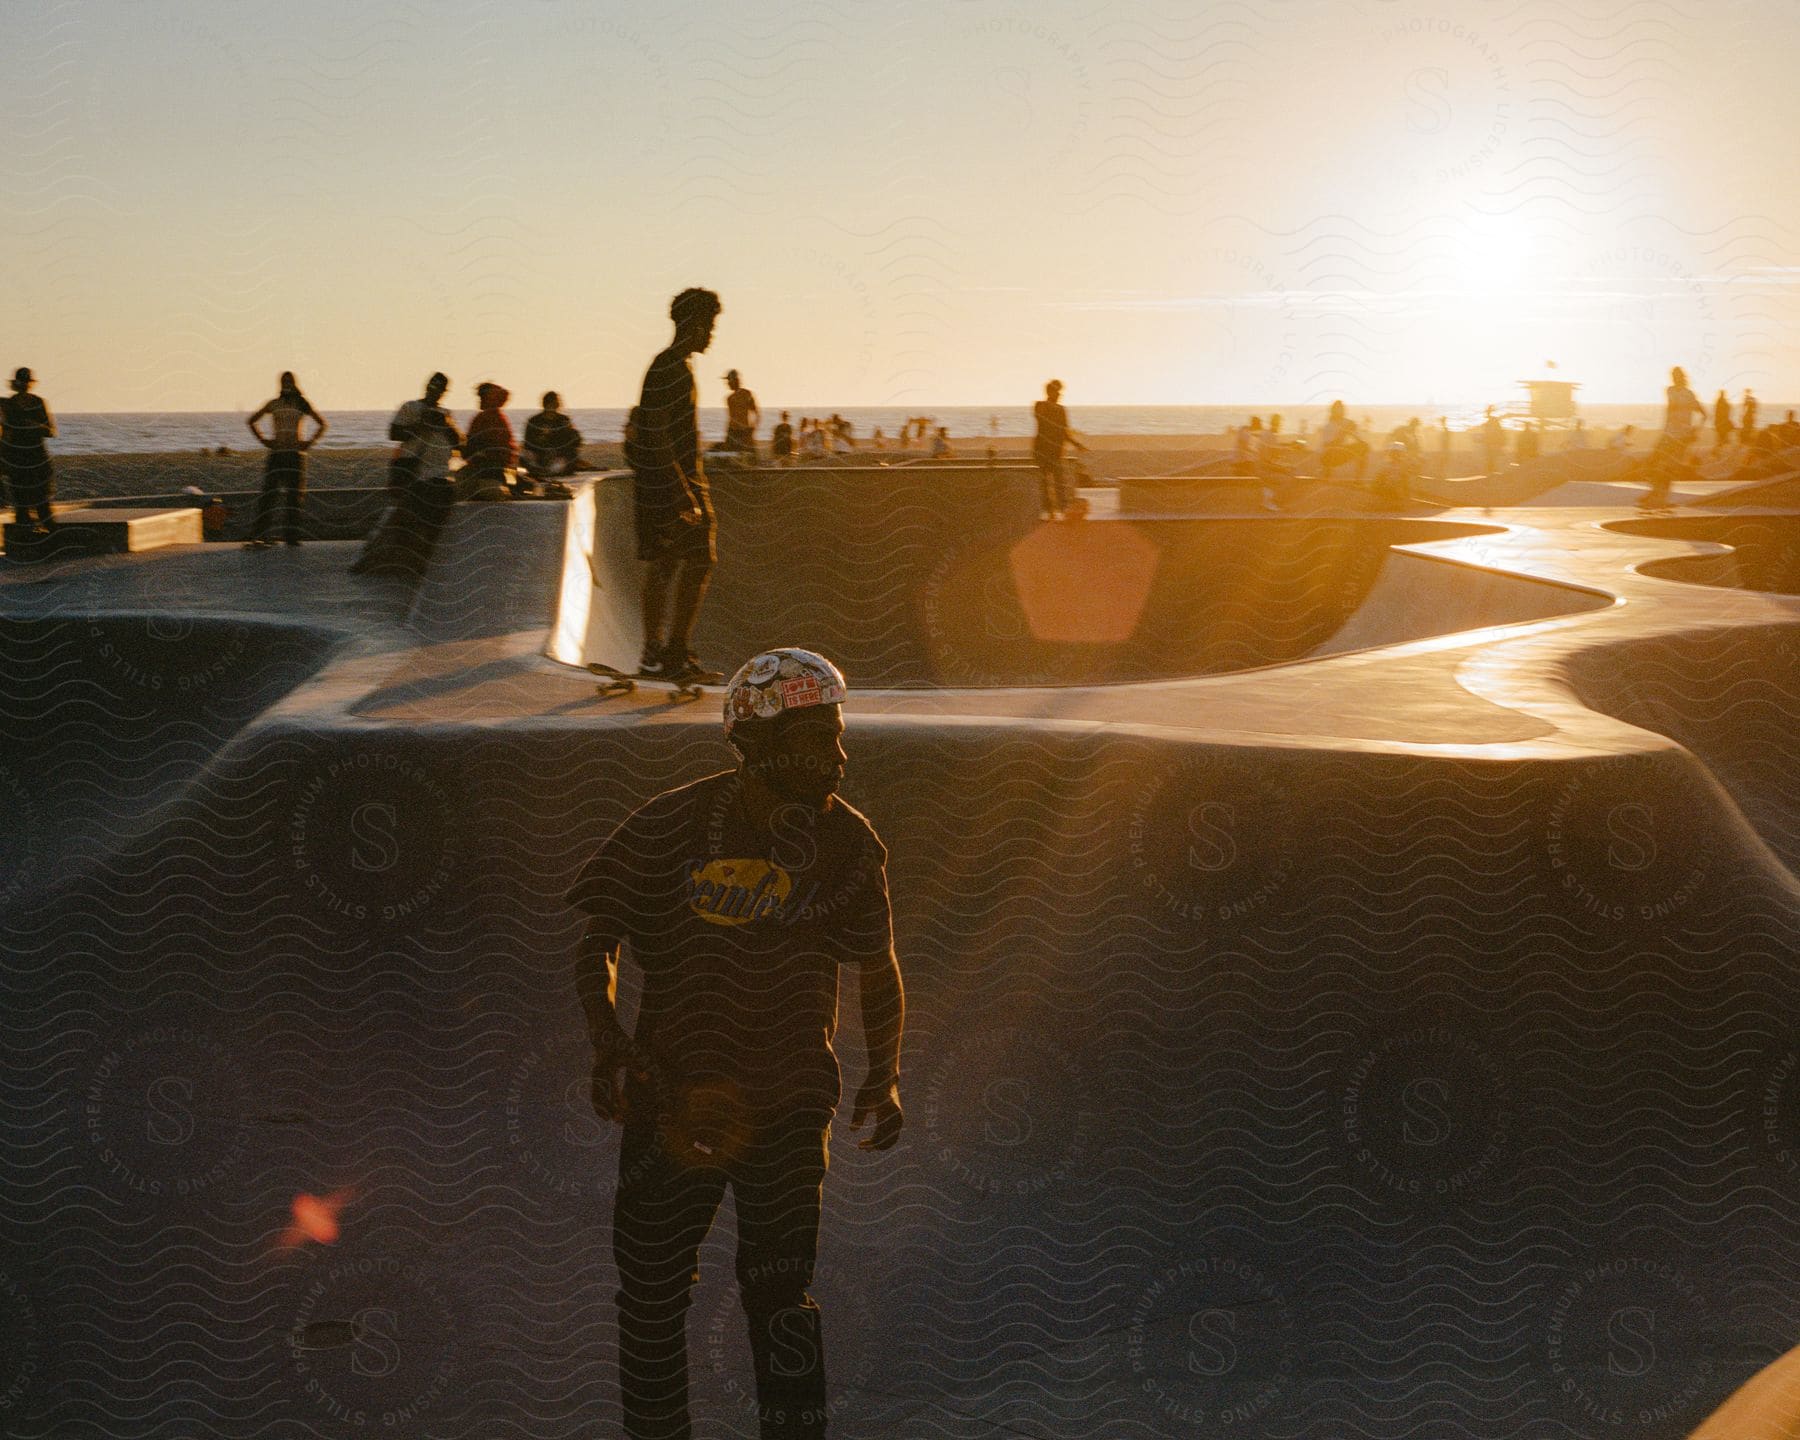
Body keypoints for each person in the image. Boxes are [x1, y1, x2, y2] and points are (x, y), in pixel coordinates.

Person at [569, 648, 904, 1440]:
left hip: (789, 1108)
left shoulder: (849, 844)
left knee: (780, 1296)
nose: (840, 757)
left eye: (839, 735)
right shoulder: (669, 825)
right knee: (651, 1293)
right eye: (819, 740)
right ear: (756, 743)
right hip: (670, 1098)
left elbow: (878, 967)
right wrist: (608, 1042)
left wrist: (884, 1075)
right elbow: (597, 941)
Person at [632, 288, 723, 682]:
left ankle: (662, 653)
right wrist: (680, 489)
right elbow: (655, 432)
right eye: (712, 326)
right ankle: (668, 653)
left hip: (671, 482)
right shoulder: (668, 368)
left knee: (669, 563)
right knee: (690, 560)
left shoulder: (673, 366)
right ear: (697, 324)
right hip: (671, 485)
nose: (713, 335)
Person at [350, 372, 461, 576]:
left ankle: (418, 562)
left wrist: (446, 424)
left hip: (438, 473)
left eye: (440, 387)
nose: (435, 390)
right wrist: (421, 424)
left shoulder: (446, 413)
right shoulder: (410, 407)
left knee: (429, 521)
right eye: (432, 385)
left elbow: (459, 443)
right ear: (427, 386)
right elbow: (394, 433)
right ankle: (374, 560)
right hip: (413, 471)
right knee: (401, 518)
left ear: (444, 391)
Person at [243, 371, 326, 549]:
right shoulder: (274, 404)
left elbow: (322, 424)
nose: (286, 384)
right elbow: (251, 421)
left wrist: (309, 442)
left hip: (295, 455)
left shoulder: (301, 403)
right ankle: (261, 535)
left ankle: (291, 537)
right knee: (269, 496)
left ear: (294, 383)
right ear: (280, 384)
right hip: (277, 454)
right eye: (283, 381)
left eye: (289, 381)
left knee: (294, 498)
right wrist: (264, 440)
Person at [1, 367, 57, 536]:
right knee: (21, 504)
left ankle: (51, 539)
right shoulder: (8, 404)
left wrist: (35, 426)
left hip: (37, 457)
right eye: (21, 382)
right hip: (18, 458)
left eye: (25, 382)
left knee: (42, 502)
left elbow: (51, 431)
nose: (24, 386)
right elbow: (6, 433)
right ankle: (25, 544)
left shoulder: (38, 402)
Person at [1642, 364, 1706, 507]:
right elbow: (1674, 406)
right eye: (1672, 377)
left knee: (1669, 467)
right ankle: (1655, 492)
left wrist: (1695, 431)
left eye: (1675, 377)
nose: (1673, 379)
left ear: (1680, 377)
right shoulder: (1671, 391)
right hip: (1669, 434)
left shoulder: (1688, 394)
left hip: (1681, 438)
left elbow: (1704, 414)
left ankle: (1660, 496)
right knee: (1653, 462)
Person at [1032, 379, 1088, 520]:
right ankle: (1049, 510)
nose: (1059, 395)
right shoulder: (1040, 406)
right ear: (1050, 392)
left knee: (1058, 481)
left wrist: (1076, 444)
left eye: (1059, 392)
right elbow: (1041, 418)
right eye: (1057, 392)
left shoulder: (1061, 410)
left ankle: (1062, 509)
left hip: (1056, 451)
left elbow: (1064, 432)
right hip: (1043, 450)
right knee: (1045, 482)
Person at [457, 381, 517, 501]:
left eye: (481, 397)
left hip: (489, 470)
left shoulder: (488, 418)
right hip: (488, 468)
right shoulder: (497, 418)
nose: (479, 400)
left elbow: (472, 447)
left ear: (488, 398)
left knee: (463, 486)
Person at [522, 391, 584, 481]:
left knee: (570, 455)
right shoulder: (534, 421)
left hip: (558, 455)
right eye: (551, 403)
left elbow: (575, 440)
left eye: (555, 404)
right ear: (545, 404)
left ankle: (554, 470)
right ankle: (541, 471)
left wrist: (558, 451)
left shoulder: (563, 420)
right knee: (525, 455)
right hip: (539, 456)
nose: (554, 406)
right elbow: (528, 443)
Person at [1317, 400, 1369, 482]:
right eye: (1337, 409)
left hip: (1341, 453)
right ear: (1333, 411)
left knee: (1364, 446)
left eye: (1341, 409)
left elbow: (1359, 439)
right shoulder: (1328, 426)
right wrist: (1342, 433)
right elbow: (1327, 446)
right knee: (1330, 453)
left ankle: (1358, 480)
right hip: (1328, 456)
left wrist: (1354, 432)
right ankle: (1326, 478)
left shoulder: (1347, 422)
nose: (1340, 411)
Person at [723, 370, 760, 456]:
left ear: (735, 381)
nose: (727, 383)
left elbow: (756, 413)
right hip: (733, 432)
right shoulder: (729, 398)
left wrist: (752, 428)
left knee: (748, 457)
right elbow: (731, 417)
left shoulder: (746, 394)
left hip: (743, 432)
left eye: (729, 380)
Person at [1480, 405, 1506, 477]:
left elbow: (1495, 432)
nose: (1487, 414)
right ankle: (1492, 470)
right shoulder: (1492, 421)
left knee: (1491, 456)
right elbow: (1499, 432)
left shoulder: (1491, 421)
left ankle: (1491, 471)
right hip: (1492, 442)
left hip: (1492, 442)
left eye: (1487, 412)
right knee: (1492, 456)